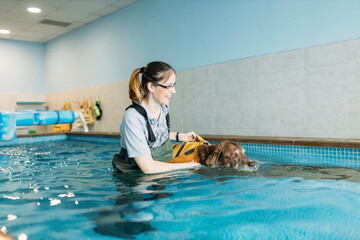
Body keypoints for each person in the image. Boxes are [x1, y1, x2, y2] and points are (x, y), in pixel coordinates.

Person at [112, 61, 201, 174]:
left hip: (160, 167)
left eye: (173, 85)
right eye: (168, 86)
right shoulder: (133, 118)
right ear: (151, 87)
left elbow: (154, 134)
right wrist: (188, 166)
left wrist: (180, 136)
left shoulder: (163, 106)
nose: (173, 91)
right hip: (134, 178)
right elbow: (148, 168)